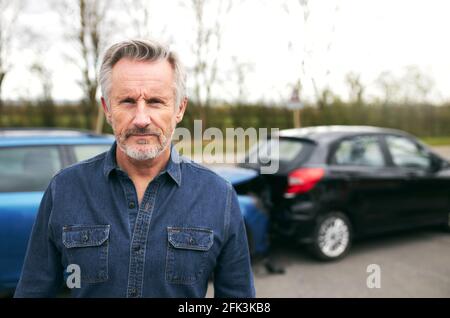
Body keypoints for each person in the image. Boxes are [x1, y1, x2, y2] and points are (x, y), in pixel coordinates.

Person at [14, 39, 255, 298]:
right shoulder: (65, 189)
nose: (141, 119)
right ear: (107, 109)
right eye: (128, 101)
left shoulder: (218, 195)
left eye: (155, 101)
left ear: (179, 109)